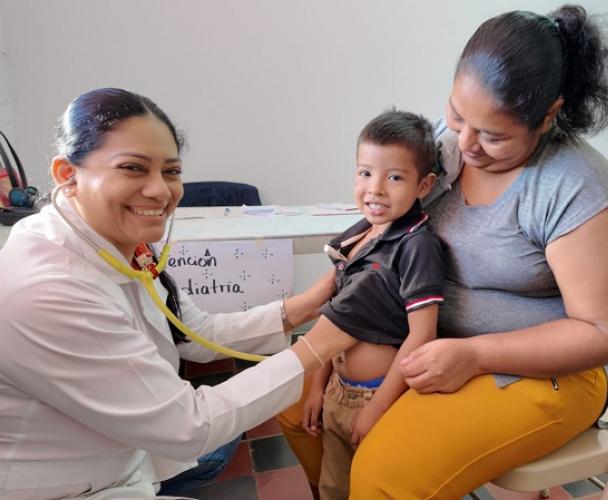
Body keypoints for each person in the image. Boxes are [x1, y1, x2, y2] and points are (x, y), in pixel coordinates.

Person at [279, 5, 608, 498]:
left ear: (548, 115)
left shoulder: (577, 186)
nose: (465, 143)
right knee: (289, 402)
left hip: (540, 373)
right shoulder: (442, 149)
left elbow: (607, 332)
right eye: (456, 114)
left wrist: (474, 354)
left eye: (493, 135)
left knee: (384, 476)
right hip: (424, 341)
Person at [0, 87, 355, 499]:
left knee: (218, 442)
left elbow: (192, 331)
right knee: (213, 440)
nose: (160, 191)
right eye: (133, 168)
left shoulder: (121, 243)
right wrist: (321, 344)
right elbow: (189, 427)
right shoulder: (45, 289)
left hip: (121, 451)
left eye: (171, 172)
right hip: (60, 488)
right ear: (67, 174)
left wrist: (312, 303)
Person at [300, 110, 444, 499]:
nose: (375, 189)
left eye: (394, 177)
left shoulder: (417, 246)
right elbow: (335, 317)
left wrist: (378, 406)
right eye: (365, 173)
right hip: (338, 389)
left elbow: (423, 335)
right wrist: (317, 386)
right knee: (334, 486)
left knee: (374, 487)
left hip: (379, 394)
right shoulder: (357, 237)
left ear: (423, 185)